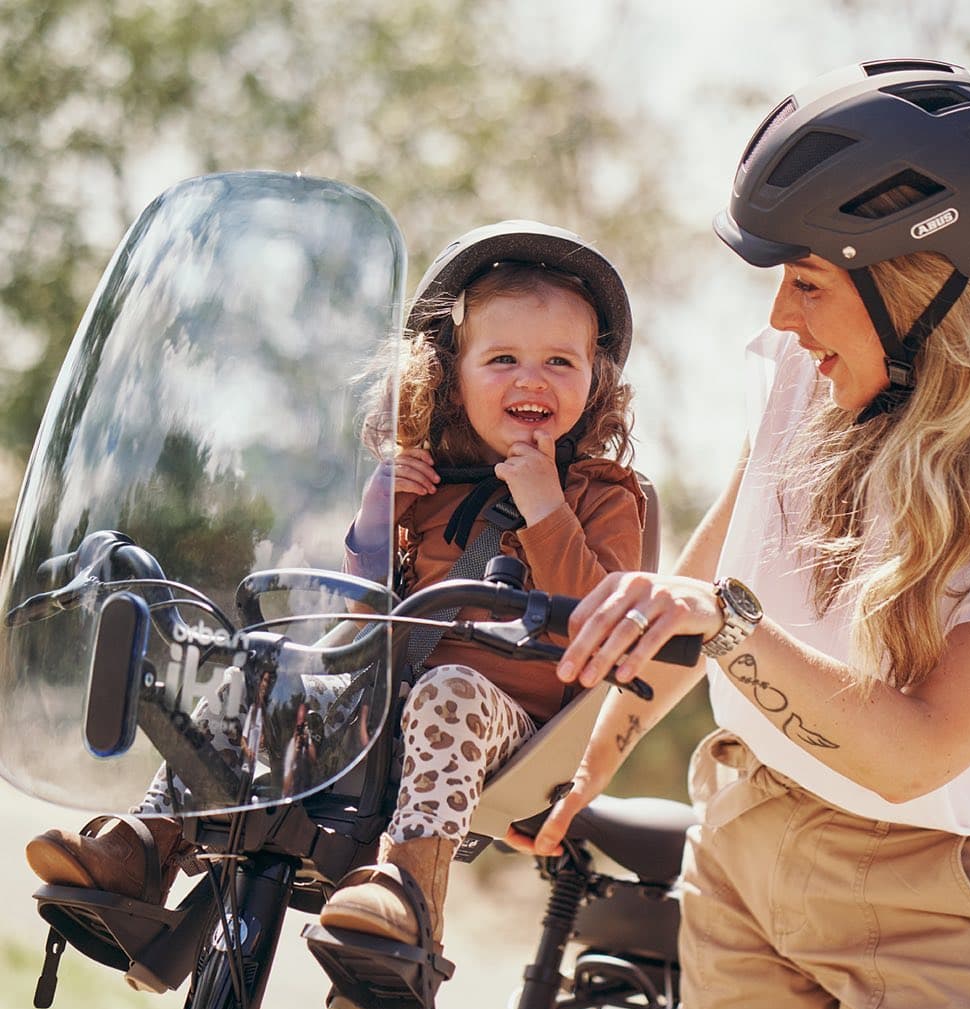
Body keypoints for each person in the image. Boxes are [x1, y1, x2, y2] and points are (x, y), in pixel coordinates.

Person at [520, 60, 970, 1009]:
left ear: (924, 290)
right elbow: (715, 562)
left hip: (947, 910)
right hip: (747, 842)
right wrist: (586, 759)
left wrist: (726, 623)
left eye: (809, 282)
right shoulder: (814, 365)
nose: (781, 318)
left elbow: (916, 752)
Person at [26, 220, 646, 960]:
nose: (531, 379)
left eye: (560, 361)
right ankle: (148, 842)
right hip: (384, 699)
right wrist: (380, 520)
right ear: (450, 375)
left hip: (508, 724)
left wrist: (546, 507)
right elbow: (362, 626)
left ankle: (409, 884)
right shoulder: (431, 485)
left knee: (451, 686)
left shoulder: (602, 494)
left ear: (595, 380)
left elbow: (604, 619)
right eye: (503, 357)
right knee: (266, 663)